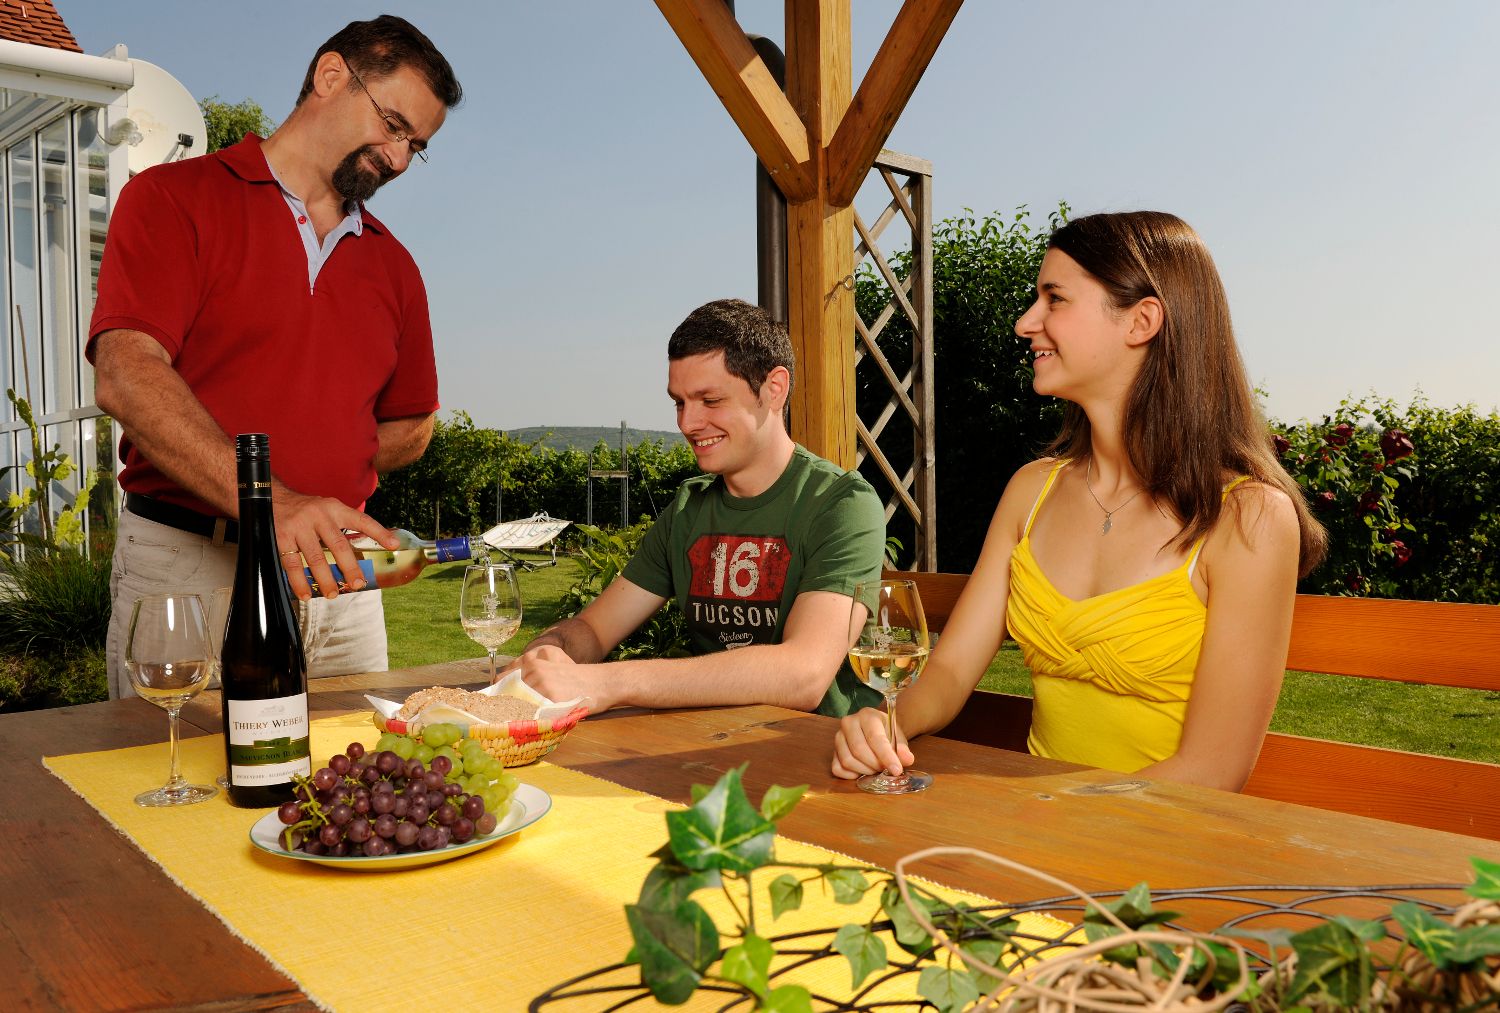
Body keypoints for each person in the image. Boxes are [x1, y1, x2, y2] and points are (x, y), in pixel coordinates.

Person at [832, 211, 1327, 792]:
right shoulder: (1032, 491)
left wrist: (1049, 816)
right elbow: (947, 671)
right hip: (1038, 832)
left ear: (1141, 321)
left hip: (1156, 853)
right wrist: (887, 725)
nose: (1025, 323)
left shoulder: (1248, 517)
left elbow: (1213, 771)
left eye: (1055, 299)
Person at [87, 15, 462, 698]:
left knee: (354, 786)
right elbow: (127, 375)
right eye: (394, 125)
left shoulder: (396, 266)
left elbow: (411, 426)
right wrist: (274, 500)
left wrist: (319, 481)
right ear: (330, 76)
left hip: (342, 587)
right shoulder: (174, 199)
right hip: (188, 571)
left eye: (418, 146)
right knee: (172, 789)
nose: (401, 158)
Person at [505, 298, 887, 717]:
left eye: (709, 400)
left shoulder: (841, 504)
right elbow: (593, 629)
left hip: (817, 758)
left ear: (773, 389)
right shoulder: (690, 507)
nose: (687, 424)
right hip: (706, 751)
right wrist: (548, 653)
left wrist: (609, 683)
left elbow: (803, 675)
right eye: (679, 402)